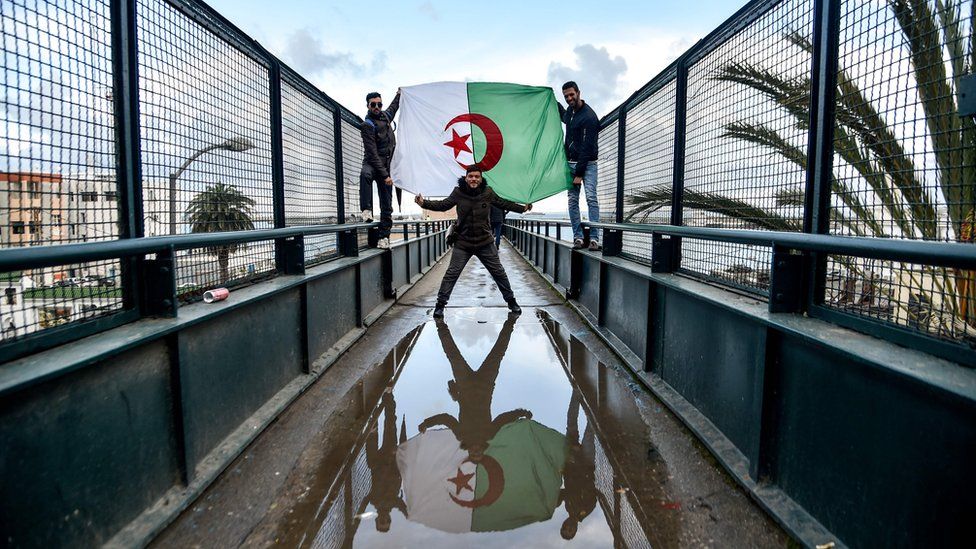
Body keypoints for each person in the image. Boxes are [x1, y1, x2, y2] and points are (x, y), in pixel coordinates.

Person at [414, 165, 532, 318]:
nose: (474, 179)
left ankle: (511, 302)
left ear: (481, 178)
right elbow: (443, 205)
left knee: (499, 273)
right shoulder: (458, 192)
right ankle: (440, 305)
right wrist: (424, 204)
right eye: (471, 176)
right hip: (463, 243)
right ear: (466, 177)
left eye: (477, 176)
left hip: (485, 242)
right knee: (451, 273)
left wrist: (522, 209)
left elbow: (503, 203)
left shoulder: (487, 192)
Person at [418, 314, 531, 462]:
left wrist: (427, 423)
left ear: (469, 451)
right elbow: (503, 419)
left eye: (473, 454)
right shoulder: (489, 435)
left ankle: (440, 324)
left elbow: (447, 419)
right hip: (485, 384)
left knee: (453, 355)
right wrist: (521, 412)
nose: (476, 451)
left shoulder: (461, 435)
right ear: (483, 451)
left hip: (465, 385)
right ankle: (510, 321)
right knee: (498, 353)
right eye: (479, 454)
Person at [557, 81, 601, 251]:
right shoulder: (570, 112)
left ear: (578, 93)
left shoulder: (589, 117)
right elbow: (564, 117)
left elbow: (587, 148)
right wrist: (551, 101)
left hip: (587, 164)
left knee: (591, 198)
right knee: (572, 201)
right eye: (566, 96)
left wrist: (579, 173)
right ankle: (578, 237)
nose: (569, 98)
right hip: (570, 163)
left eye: (571, 95)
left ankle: (595, 239)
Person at [360, 89, 400, 249]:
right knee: (365, 174)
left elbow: (394, 107)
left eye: (379, 104)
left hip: (387, 165)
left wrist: (399, 94)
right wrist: (385, 175)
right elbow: (372, 153)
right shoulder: (367, 125)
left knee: (387, 204)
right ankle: (366, 209)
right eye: (373, 104)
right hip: (373, 162)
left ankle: (384, 237)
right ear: (368, 106)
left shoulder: (386, 117)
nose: (377, 107)